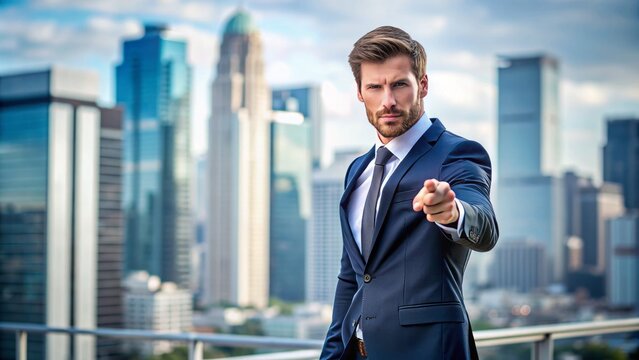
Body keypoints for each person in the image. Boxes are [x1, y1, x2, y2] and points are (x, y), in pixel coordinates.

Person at [320, 26, 499, 360]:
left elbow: (485, 225)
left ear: (423, 85)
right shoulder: (356, 170)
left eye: (399, 84)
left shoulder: (457, 154)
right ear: (360, 92)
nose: (387, 101)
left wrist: (453, 211)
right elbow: (351, 281)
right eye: (375, 87)